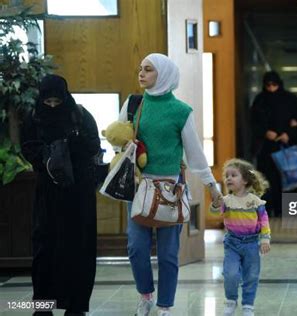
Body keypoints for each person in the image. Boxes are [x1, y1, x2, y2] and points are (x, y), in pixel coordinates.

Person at [118, 53, 222, 316]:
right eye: (140, 68)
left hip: (170, 191)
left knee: (167, 254)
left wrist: (212, 186)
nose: (141, 74)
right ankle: (145, 295)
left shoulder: (180, 111)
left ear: (163, 74)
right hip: (139, 187)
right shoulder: (133, 105)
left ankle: (165, 304)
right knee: (136, 249)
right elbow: (119, 139)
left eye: (148, 70)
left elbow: (195, 152)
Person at [21, 74, 101, 316]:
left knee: (79, 250)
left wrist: (74, 146)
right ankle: (43, 306)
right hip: (48, 194)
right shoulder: (33, 118)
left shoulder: (80, 115)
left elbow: (94, 146)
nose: (53, 106)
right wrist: (49, 157)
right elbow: (28, 148)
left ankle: (76, 306)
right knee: (45, 250)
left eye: (58, 102)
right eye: (49, 103)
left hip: (79, 195)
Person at [210, 158, 271, 316]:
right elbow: (215, 211)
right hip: (232, 243)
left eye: (233, 175)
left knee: (251, 275)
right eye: (227, 175)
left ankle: (248, 305)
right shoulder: (226, 201)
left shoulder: (256, 202)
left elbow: (264, 221)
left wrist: (265, 239)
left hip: (251, 244)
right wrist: (216, 204)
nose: (228, 178)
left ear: (244, 180)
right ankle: (231, 300)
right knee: (230, 274)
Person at [250, 71, 297, 217]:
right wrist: (265, 132)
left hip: (286, 147)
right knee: (266, 181)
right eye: (268, 85)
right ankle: (268, 212)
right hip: (266, 148)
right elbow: (254, 123)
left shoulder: (290, 99)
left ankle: (284, 211)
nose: (272, 89)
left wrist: (288, 134)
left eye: (274, 85)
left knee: (288, 180)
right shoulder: (260, 100)